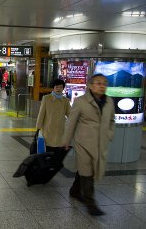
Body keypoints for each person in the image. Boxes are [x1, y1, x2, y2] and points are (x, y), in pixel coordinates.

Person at [62, 74, 115, 216]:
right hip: (83, 142)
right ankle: (91, 203)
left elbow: (111, 121)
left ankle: (74, 190)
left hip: (100, 142)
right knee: (88, 171)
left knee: (87, 168)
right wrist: (66, 140)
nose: (102, 85)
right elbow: (71, 122)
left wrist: (109, 134)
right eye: (98, 83)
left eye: (104, 83)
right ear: (90, 85)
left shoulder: (109, 101)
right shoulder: (81, 101)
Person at [36, 79, 70, 152]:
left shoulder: (66, 100)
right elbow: (41, 113)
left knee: (58, 150)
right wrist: (38, 127)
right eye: (56, 87)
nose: (58, 89)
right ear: (53, 88)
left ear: (63, 88)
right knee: (48, 149)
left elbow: (70, 114)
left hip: (60, 129)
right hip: (48, 129)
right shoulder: (46, 98)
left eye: (60, 87)